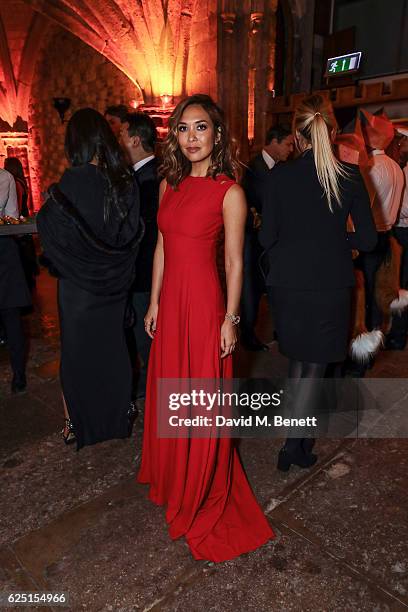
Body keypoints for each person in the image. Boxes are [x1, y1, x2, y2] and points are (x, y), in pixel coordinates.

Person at [137, 94, 273, 562]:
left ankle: (201, 484)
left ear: (217, 133)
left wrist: (232, 318)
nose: (191, 137)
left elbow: (236, 262)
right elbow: (161, 246)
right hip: (171, 304)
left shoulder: (228, 191)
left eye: (199, 128)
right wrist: (153, 302)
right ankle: (176, 473)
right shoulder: (168, 185)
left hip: (203, 306)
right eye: (182, 129)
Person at [259, 95, 377, 471]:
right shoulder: (349, 175)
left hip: (287, 284)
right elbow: (369, 240)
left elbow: (266, 239)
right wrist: (339, 243)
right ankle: (294, 445)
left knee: (298, 362)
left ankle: (293, 443)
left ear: (296, 133)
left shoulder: (279, 174)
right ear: (332, 130)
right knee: (314, 368)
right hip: (329, 282)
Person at [37, 108, 143, 449]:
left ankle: (75, 425)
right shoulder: (125, 183)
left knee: (77, 356)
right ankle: (118, 417)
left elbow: (51, 239)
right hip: (113, 287)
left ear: (75, 143)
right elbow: (131, 238)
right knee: (114, 350)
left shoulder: (68, 184)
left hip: (78, 291)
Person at [240, 125, 294, 351]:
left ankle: (282, 331)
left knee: (278, 287)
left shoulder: (285, 168)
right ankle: (247, 335)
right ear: (274, 141)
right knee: (251, 289)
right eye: (288, 144)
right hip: (253, 241)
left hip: (276, 241)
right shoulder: (253, 169)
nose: (291, 149)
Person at [120, 113, 159, 399]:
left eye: (121, 134)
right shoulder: (138, 175)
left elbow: (146, 235)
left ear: (134, 138)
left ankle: (152, 391)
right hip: (139, 274)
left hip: (145, 275)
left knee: (147, 339)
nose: (119, 140)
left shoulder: (153, 178)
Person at [357, 109, 404, 331]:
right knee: (380, 290)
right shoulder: (396, 167)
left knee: (366, 294)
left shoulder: (372, 167)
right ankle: (376, 338)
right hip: (389, 235)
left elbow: (363, 207)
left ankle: (364, 347)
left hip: (371, 237)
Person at [0, 166, 31, 392]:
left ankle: (19, 375)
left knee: (11, 318)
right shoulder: (5, 177)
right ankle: (18, 376)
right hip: (4, 250)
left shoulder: (5, 177)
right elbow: (10, 215)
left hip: (4, 252)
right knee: (11, 319)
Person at [385, 126, 408, 349]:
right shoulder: (401, 168)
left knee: (400, 284)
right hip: (401, 229)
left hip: (403, 231)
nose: (400, 146)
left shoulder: (405, 170)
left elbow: (404, 208)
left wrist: (393, 210)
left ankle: (399, 336)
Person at [4, 157, 39, 290]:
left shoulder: (15, 183)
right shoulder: (21, 182)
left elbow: (16, 206)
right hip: (22, 222)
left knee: (23, 260)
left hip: (18, 225)